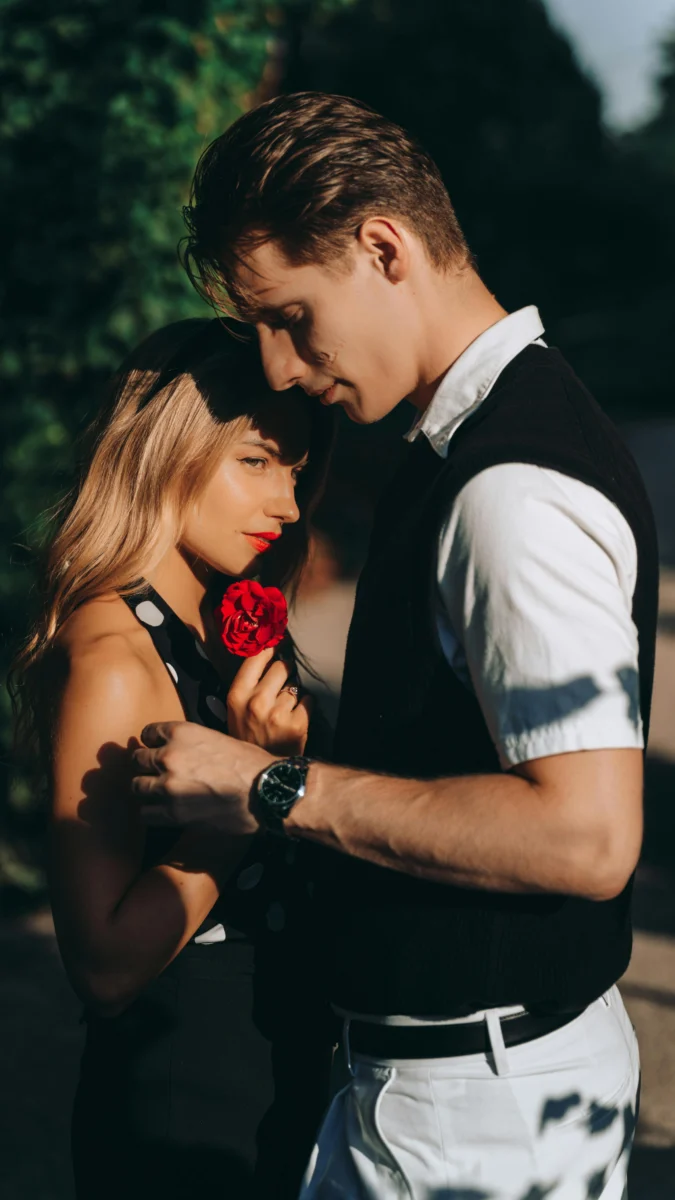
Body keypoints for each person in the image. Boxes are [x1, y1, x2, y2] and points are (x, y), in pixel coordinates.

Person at [133, 94, 657, 1199]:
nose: (276, 370)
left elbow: (587, 833)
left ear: (384, 247)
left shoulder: (511, 487)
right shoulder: (476, 437)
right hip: (466, 1091)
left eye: (289, 316)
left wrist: (271, 786)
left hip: (480, 1120)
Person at [9, 317, 336, 1200]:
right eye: (257, 463)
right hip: (188, 1098)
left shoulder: (202, 620)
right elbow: (105, 965)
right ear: (165, 454)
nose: (287, 505)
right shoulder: (115, 660)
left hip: (274, 1067)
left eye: (297, 472)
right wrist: (252, 797)